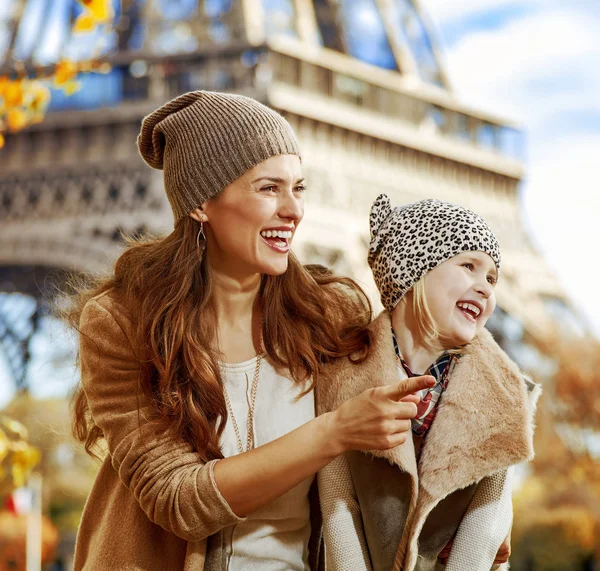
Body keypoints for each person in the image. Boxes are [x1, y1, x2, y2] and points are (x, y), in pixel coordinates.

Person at [68, 93, 435, 571]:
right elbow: (178, 500)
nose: (293, 210)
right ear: (202, 202)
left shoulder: (329, 317)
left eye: (298, 188)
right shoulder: (121, 323)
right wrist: (335, 431)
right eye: (268, 189)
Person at [317, 195, 541, 571]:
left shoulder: (506, 397)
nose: (486, 287)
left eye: (491, 278)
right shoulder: (340, 378)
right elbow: (339, 512)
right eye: (468, 265)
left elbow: (483, 535)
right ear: (412, 272)